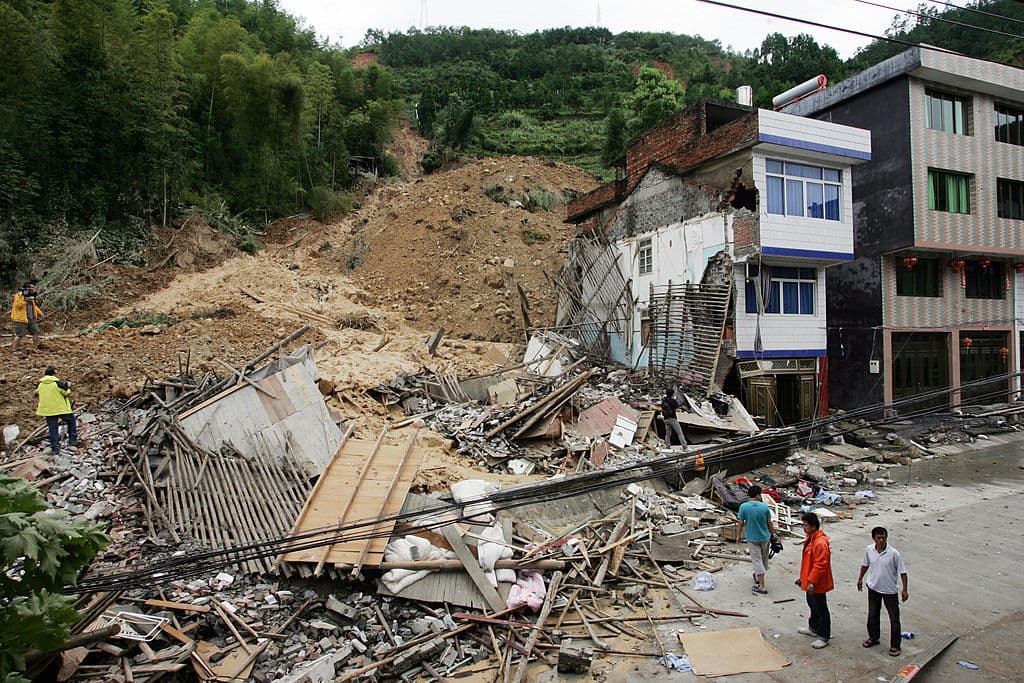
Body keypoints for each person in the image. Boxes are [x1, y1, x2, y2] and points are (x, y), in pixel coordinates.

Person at [857, 526, 909, 657]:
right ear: (873, 538)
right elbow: (865, 565)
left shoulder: (894, 554)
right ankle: (873, 637)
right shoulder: (869, 550)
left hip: (889, 591)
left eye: (883, 538)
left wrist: (904, 589)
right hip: (873, 588)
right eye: (878, 538)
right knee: (873, 615)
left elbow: (903, 572)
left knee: (894, 618)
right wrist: (860, 578)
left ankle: (895, 645)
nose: (881, 540)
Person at [795, 512, 834, 649]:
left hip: (817, 583)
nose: (803, 527)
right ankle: (813, 627)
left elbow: (820, 565)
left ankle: (823, 636)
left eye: (806, 525)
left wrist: (812, 582)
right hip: (810, 580)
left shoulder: (820, 543)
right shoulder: (810, 538)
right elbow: (808, 563)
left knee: (821, 608)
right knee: (812, 605)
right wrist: (803, 578)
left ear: (813, 526)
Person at [737, 485, 775, 594]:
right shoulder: (764, 507)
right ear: (758, 495)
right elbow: (769, 523)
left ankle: (762, 586)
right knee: (763, 559)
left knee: (757, 561)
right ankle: (758, 575)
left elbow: (741, 523)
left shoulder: (744, 507)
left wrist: (738, 535)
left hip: (752, 538)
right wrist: (772, 534)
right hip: (765, 537)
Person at [36, 367, 78, 456]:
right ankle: (72, 441)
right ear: (54, 374)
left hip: (48, 410)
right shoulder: (57, 383)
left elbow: (37, 392)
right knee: (71, 421)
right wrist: (68, 387)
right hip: (60, 409)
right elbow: (66, 392)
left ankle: (55, 448)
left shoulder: (40, 384)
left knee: (53, 429)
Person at [10, 282, 43, 352]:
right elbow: (18, 306)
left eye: (33, 288)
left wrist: (40, 313)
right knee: (19, 335)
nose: (32, 289)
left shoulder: (30, 296)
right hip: (21, 319)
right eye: (31, 288)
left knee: (36, 332)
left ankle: (36, 348)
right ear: (26, 288)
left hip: (31, 318)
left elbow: (34, 306)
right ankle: (13, 349)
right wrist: (25, 300)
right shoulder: (18, 296)